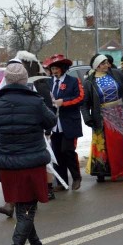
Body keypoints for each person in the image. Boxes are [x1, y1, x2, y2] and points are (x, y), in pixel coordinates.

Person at [0, 62, 56, 245]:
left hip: (8, 164)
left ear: (7, 80)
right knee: (28, 209)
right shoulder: (35, 102)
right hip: (30, 162)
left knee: (23, 208)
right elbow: (51, 121)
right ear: (25, 80)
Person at [81, 54, 123, 182]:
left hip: (119, 113)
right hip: (102, 116)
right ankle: (103, 171)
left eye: (107, 63)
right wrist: (87, 118)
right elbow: (84, 104)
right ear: (97, 66)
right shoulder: (89, 82)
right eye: (104, 63)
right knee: (105, 144)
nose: (107, 65)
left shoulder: (116, 74)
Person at [44, 54, 85, 192]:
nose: (54, 71)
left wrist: (64, 102)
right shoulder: (48, 82)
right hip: (54, 124)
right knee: (56, 153)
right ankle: (61, 182)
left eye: (56, 68)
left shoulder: (74, 81)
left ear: (63, 68)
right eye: (52, 68)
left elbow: (80, 97)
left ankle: (76, 177)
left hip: (69, 122)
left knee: (67, 150)